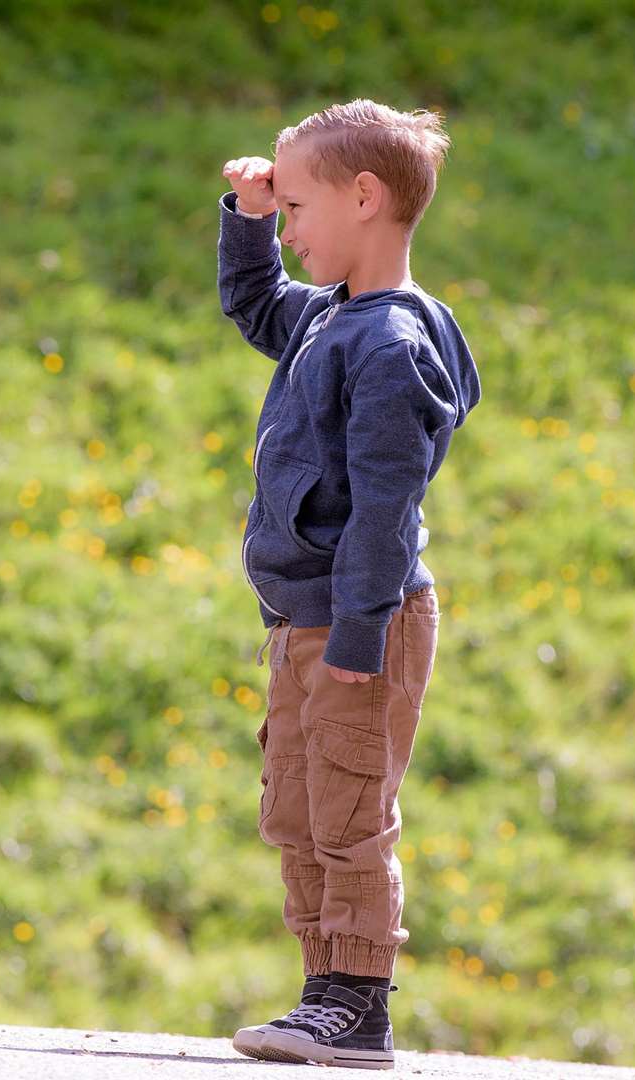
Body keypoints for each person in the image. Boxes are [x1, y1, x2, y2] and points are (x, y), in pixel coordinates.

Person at [217, 100, 480, 1068]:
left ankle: (358, 1001)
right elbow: (254, 305)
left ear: (362, 198)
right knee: (296, 807)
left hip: (357, 621)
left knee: (349, 809)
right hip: (302, 620)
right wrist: (243, 221)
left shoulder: (391, 347)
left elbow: (380, 515)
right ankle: (319, 990)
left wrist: (359, 650)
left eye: (292, 209)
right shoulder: (328, 315)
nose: (285, 230)